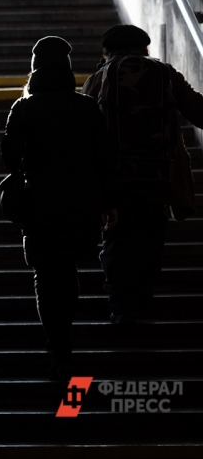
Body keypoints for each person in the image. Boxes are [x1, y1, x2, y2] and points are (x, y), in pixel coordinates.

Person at [2, 36, 118, 379]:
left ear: (35, 68)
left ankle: (59, 346)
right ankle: (65, 338)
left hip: (39, 201)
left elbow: (9, 156)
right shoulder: (86, 107)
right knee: (68, 271)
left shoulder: (24, 108)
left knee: (46, 275)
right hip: (81, 201)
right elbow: (105, 159)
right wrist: (110, 202)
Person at [82, 24, 203, 325]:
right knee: (150, 242)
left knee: (117, 242)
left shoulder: (99, 78)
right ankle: (143, 302)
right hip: (158, 180)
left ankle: (120, 307)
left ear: (106, 52)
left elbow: (85, 132)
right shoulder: (165, 73)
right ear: (145, 48)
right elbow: (199, 112)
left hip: (115, 182)